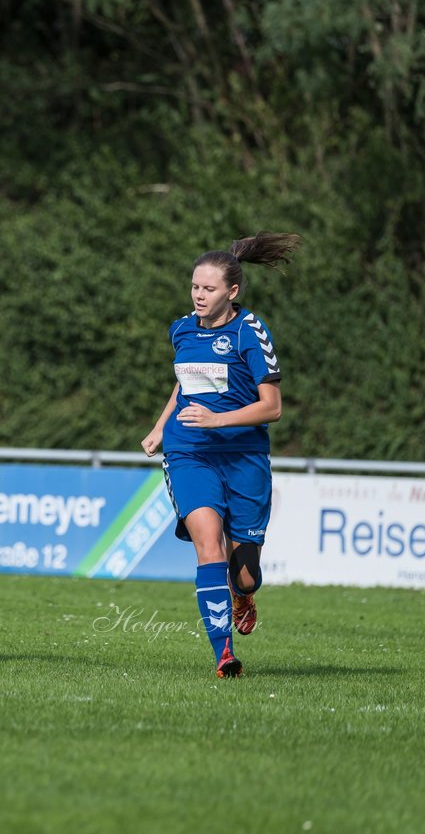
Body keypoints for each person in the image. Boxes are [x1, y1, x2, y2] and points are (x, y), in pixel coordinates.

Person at [141, 232, 300, 678]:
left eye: (208, 289)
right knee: (208, 545)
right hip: (189, 452)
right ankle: (223, 653)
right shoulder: (182, 328)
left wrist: (218, 420)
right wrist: (159, 427)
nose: (198, 295)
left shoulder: (250, 332)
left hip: (244, 455)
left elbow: (273, 406)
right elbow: (184, 382)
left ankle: (243, 594)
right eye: (194, 286)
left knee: (245, 573)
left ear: (231, 292)